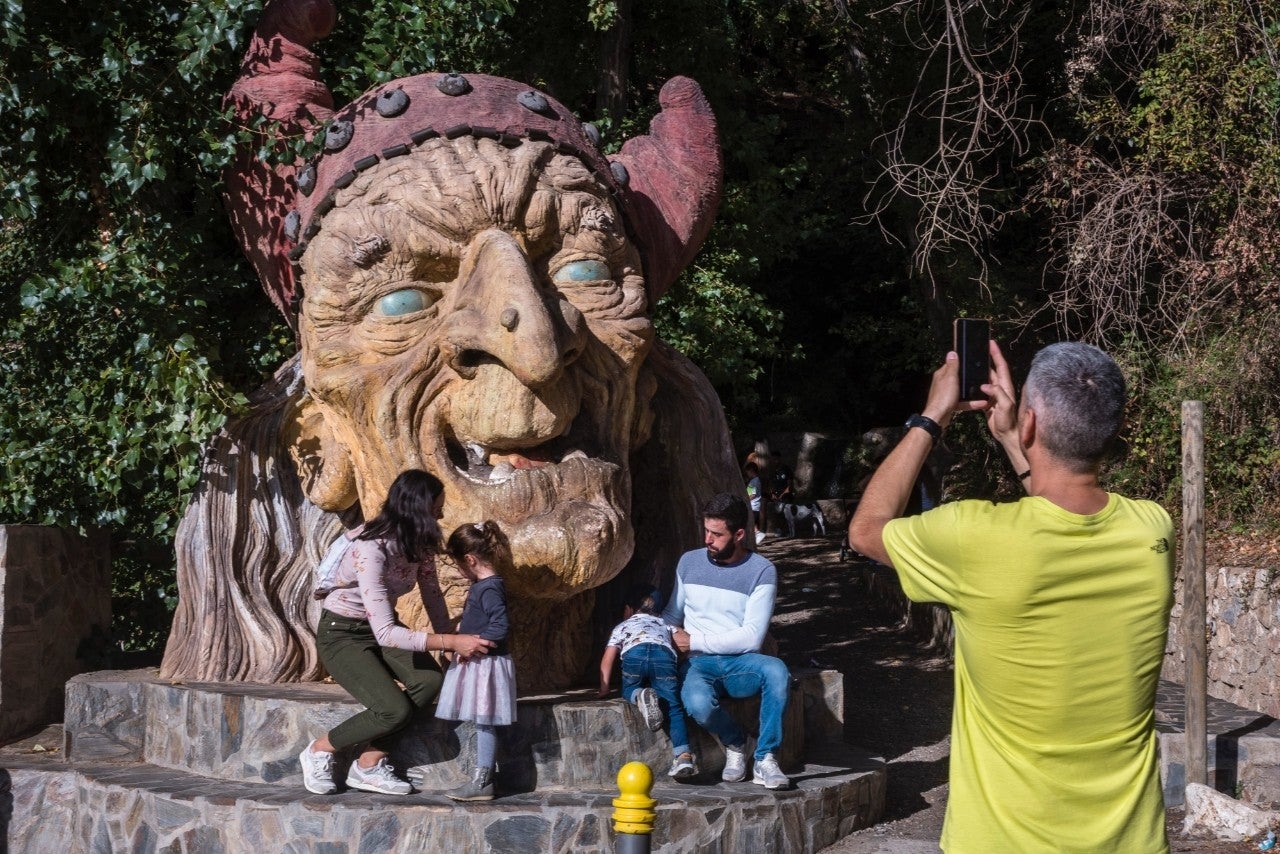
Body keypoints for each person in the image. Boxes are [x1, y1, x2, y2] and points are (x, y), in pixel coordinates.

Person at [848, 341, 1174, 853]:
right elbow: (1057, 516)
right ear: (1111, 432)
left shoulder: (974, 537)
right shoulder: (1152, 530)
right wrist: (1011, 437)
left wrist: (931, 416)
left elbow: (866, 531)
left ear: (1030, 424)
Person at [299, 469, 496, 796]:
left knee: (430, 681)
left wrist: (447, 636)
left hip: (379, 628)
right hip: (342, 634)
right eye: (436, 510)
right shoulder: (370, 549)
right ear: (418, 510)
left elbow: (432, 595)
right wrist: (451, 640)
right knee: (393, 709)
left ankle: (368, 764)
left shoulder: (419, 545)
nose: (441, 515)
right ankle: (320, 749)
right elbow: (388, 634)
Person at [662, 493, 792, 790]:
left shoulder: (761, 570)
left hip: (740, 663)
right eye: (706, 531)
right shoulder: (688, 562)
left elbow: (751, 637)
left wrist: (694, 639)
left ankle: (765, 757)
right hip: (696, 664)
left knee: (776, 670)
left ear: (740, 534)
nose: (708, 539)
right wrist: (667, 636)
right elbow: (672, 613)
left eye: (717, 534)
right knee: (697, 704)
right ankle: (737, 743)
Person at [434, 520, 519, 802]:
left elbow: (500, 626)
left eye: (458, 564)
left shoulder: (489, 588)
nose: (459, 571)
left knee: (484, 722)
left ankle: (483, 781)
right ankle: (483, 777)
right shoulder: (484, 586)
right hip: (481, 664)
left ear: (469, 559)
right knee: (482, 722)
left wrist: (473, 645)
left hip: (485, 666)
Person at [598, 585, 697, 779]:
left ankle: (639, 695)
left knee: (629, 688)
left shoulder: (622, 626)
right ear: (659, 611)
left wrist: (604, 688)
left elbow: (608, 657)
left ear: (628, 610)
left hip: (634, 654)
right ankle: (683, 756)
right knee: (674, 708)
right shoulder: (664, 624)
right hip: (663, 656)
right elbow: (682, 645)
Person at [744, 461, 766, 543]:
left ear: (751, 471)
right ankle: (756, 536)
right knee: (752, 521)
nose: (747, 474)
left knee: (749, 521)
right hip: (756, 505)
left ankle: (758, 533)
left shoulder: (753, 482)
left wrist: (746, 500)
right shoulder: (757, 480)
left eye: (747, 472)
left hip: (752, 505)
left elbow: (752, 495)